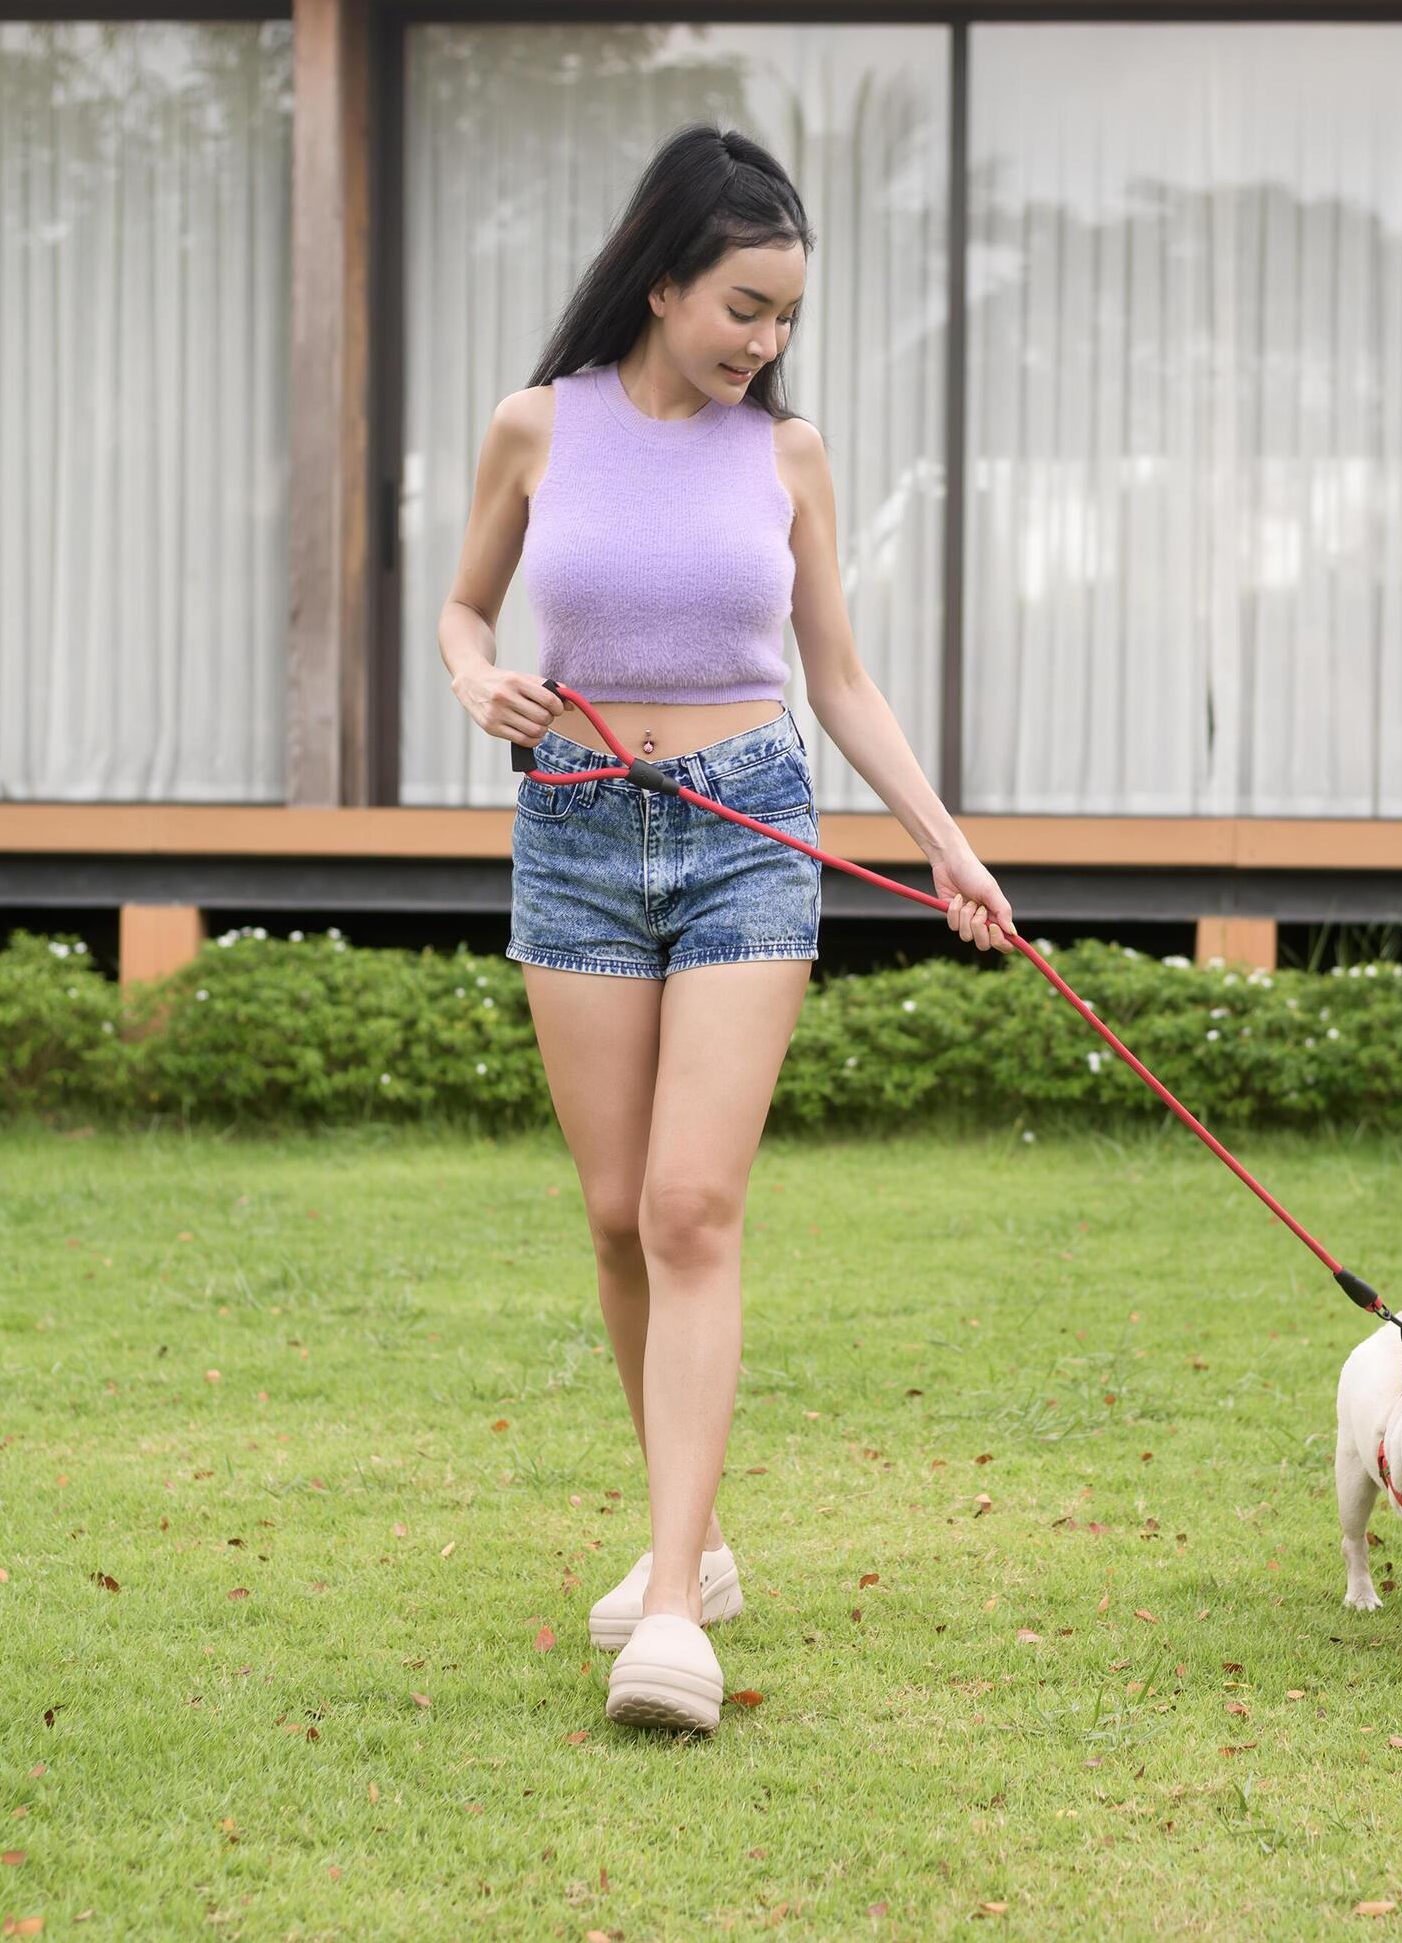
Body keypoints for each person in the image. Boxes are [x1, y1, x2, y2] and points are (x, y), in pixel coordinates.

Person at [436, 124, 1016, 1736]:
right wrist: (475, 674)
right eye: (742, 307)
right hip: (570, 829)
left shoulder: (789, 456)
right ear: (665, 275)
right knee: (619, 1214)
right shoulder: (536, 429)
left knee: (694, 1210)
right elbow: (465, 606)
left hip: (747, 828)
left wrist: (951, 852)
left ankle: (673, 1607)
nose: (763, 343)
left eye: (784, 320)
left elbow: (839, 680)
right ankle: (687, 1536)